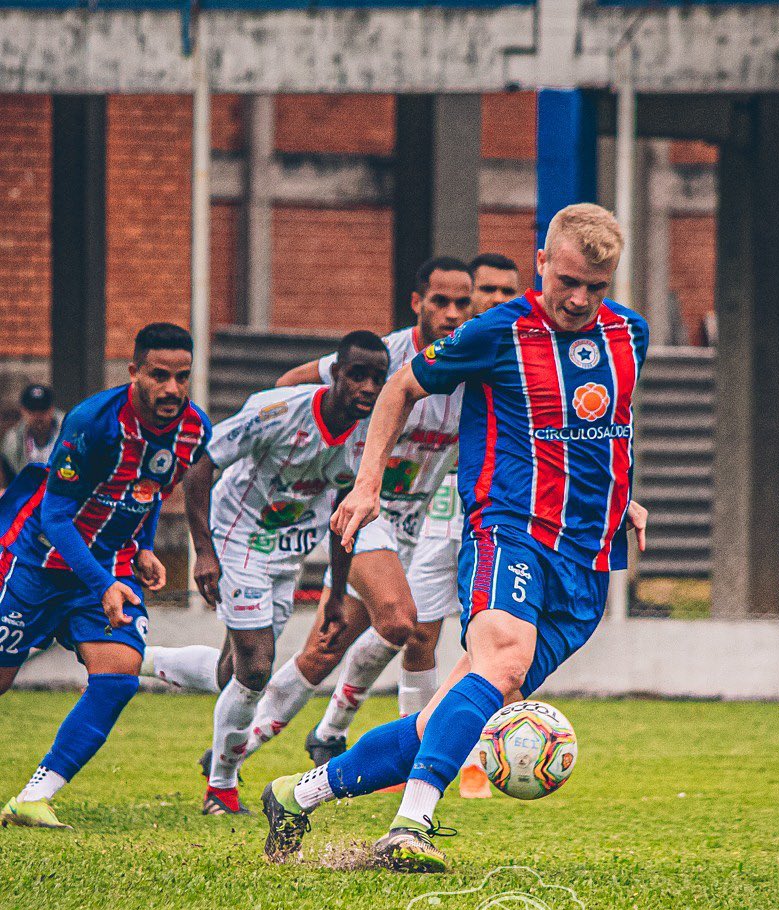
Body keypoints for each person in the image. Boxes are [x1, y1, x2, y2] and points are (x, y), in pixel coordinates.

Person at [260, 203, 649, 873]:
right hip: (510, 531)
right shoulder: (498, 331)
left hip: (588, 559)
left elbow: (603, 427)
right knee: (501, 661)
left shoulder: (629, 335)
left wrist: (623, 495)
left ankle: (297, 794)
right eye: (570, 282)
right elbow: (400, 387)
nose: (581, 300)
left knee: (453, 714)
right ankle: (410, 826)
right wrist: (366, 485)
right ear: (543, 264)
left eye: (598, 287)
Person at [0, 324, 211, 829]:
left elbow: (152, 489)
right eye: (159, 375)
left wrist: (141, 547)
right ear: (134, 372)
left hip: (112, 563)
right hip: (43, 564)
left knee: (116, 680)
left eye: (182, 377)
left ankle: (33, 797)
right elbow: (54, 517)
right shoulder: (92, 422)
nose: (172, 389)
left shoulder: (193, 428)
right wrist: (102, 584)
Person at [170, 330, 389, 815]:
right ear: (335, 373)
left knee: (233, 670)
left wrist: (336, 591)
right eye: (358, 375)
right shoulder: (276, 410)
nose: (368, 388)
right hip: (235, 536)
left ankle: (137, 659)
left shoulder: (368, 436)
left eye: (377, 378)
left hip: (286, 551)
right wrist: (204, 552)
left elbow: (343, 511)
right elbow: (199, 470)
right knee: (255, 667)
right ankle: (221, 788)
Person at [406, 252, 521, 799]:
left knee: (493, 644)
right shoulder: (456, 347)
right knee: (412, 632)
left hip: (498, 519)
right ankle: (370, 734)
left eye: (509, 291)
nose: (498, 300)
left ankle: (476, 758)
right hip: (435, 515)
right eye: (488, 290)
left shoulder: (521, 345)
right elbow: (389, 386)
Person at [0, 384, 65, 489]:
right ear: (23, 411)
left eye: (43, 410)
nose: (38, 416)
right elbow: (9, 482)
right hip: (28, 496)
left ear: (52, 409)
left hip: (61, 493)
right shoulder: (12, 441)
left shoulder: (68, 433)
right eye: (32, 411)